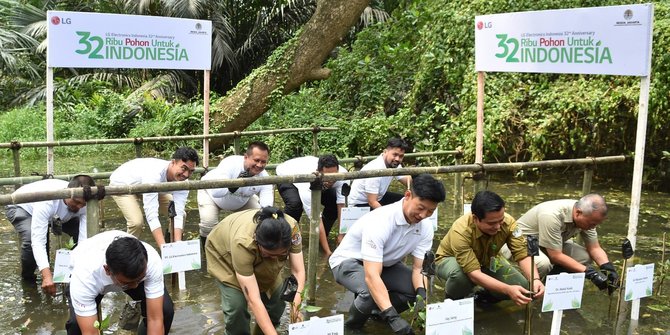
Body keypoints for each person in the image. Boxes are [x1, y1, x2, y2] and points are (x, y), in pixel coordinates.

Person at [329, 174, 446, 334]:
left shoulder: (425, 228)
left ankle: (378, 312)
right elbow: (372, 276)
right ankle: (352, 326)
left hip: (384, 263)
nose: (423, 215)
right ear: (408, 195)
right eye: (420, 208)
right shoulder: (381, 220)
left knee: (413, 292)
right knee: (368, 292)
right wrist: (393, 318)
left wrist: (422, 294)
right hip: (349, 261)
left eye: (430, 211)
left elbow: (419, 269)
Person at [205, 207, 305, 335]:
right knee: (237, 309)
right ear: (257, 242)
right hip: (226, 256)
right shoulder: (242, 242)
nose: (274, 259)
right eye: (269, 255)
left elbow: (298, 272)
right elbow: (254, 299)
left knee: (277, 302)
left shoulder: (292, 229)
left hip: (260, 250)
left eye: (280, 254)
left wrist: (295, 309)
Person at [435, 190, 545, 306]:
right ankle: (452, 299)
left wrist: (535, 279)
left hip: (487, 259)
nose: (497, 227)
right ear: (475, 218)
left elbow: (522, 254)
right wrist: (507, 289)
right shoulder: (461, 231)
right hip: (450, 260)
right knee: (461, 277)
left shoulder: (509, 223)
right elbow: (473, 273)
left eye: (500, 220)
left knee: (522, 286)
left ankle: (483, 297)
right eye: (491, 223)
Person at [65, 230, 174, 335]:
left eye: (139, 280)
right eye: (128, 282)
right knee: (76, 327)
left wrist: (134, 280)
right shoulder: (84, 276)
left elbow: (155, 319)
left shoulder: (151, 262)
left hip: (126, 273)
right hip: (90, 278)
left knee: (165, 311)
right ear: (107, 270)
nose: (135, 286)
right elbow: (90, 332)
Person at [5, 175, 96, 294]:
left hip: (58, 215)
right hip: (22, 207)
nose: (79, 207)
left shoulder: (85, 202)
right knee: (30, 239)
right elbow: (38, 240)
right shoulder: (47, 200)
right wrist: (47, 276)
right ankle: (28, 280)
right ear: (67, 194)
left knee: (80, 235)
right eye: (76, 202)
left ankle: (72, 272)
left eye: (82, 205)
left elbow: (85, 238)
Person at [508, 194, 617, 291]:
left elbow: (594, 248)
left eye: (596, 224)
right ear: (578, 213)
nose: (593, 227)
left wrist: (608, 268)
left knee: (584, 257)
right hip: (523, 242)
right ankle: (530, 289)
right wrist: (591, 273)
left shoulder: (589, 216)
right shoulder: (551, 214)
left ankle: (553, 289)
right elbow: (555, 256)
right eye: (592, 224)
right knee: (543, 263)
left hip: (549, 244)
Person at [109, 146, 199, 247]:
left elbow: (177, 212)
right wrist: (163, 248)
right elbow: (151, 214)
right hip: (123, 184)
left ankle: (172, 244)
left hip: (152, 187)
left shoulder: (183, 181)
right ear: (173, 162)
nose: (186, 174)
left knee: (181, 215)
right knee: (136, 222)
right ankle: (124, 251)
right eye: (184, 168)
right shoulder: (154, 174)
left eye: (191, 171)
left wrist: (177, 245)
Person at [197, 141, 273, 243]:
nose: (259, 165)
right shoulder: (230, 164)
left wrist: (269, 215)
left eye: (263, 162)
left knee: (259, 220)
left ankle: (251, 247)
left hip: (242, 199)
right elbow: (216, 192)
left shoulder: (264, 176)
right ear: (246, 157)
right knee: (208, 225)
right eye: (256, 160)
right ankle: (208, 253)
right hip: (211, 195)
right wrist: (235, 183)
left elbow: (266, 203)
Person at [275, 154, 346, 257]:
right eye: (328, 177)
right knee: (295, 204)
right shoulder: (307, 183)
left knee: (333, 201)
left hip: (317, 179)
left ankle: (322, 236)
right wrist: (328, 252)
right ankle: (285, 238)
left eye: (334, 176)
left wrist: (341, 234)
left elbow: (341, 205)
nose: (331, 180)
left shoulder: (343, 176)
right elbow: (316, 217)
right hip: (288, 174)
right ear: (319, 171)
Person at [349, 137, 411, 209]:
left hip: (378, 197)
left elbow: (408, 181)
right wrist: (387, 216)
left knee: (406, 201)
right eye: (395, 154)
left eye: (401, 156)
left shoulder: (394, 164)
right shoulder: (375, 169)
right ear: (385, 152)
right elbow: (372, 202)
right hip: (360, 205)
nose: (397, 159)